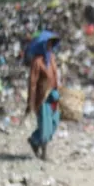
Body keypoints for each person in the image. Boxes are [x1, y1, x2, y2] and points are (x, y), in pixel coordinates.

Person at [23, 30, 61, 161]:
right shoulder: (37, 62)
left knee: (54, 122)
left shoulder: (52, 58)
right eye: (48, 44)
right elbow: (32, 83)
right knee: (45, 126)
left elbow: (55, 76)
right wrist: (30, 102)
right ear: (43, 45)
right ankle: (44, 153)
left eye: (52, 44)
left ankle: (34, 139)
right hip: (42, 97)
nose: (50, 46)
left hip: (53, 95)